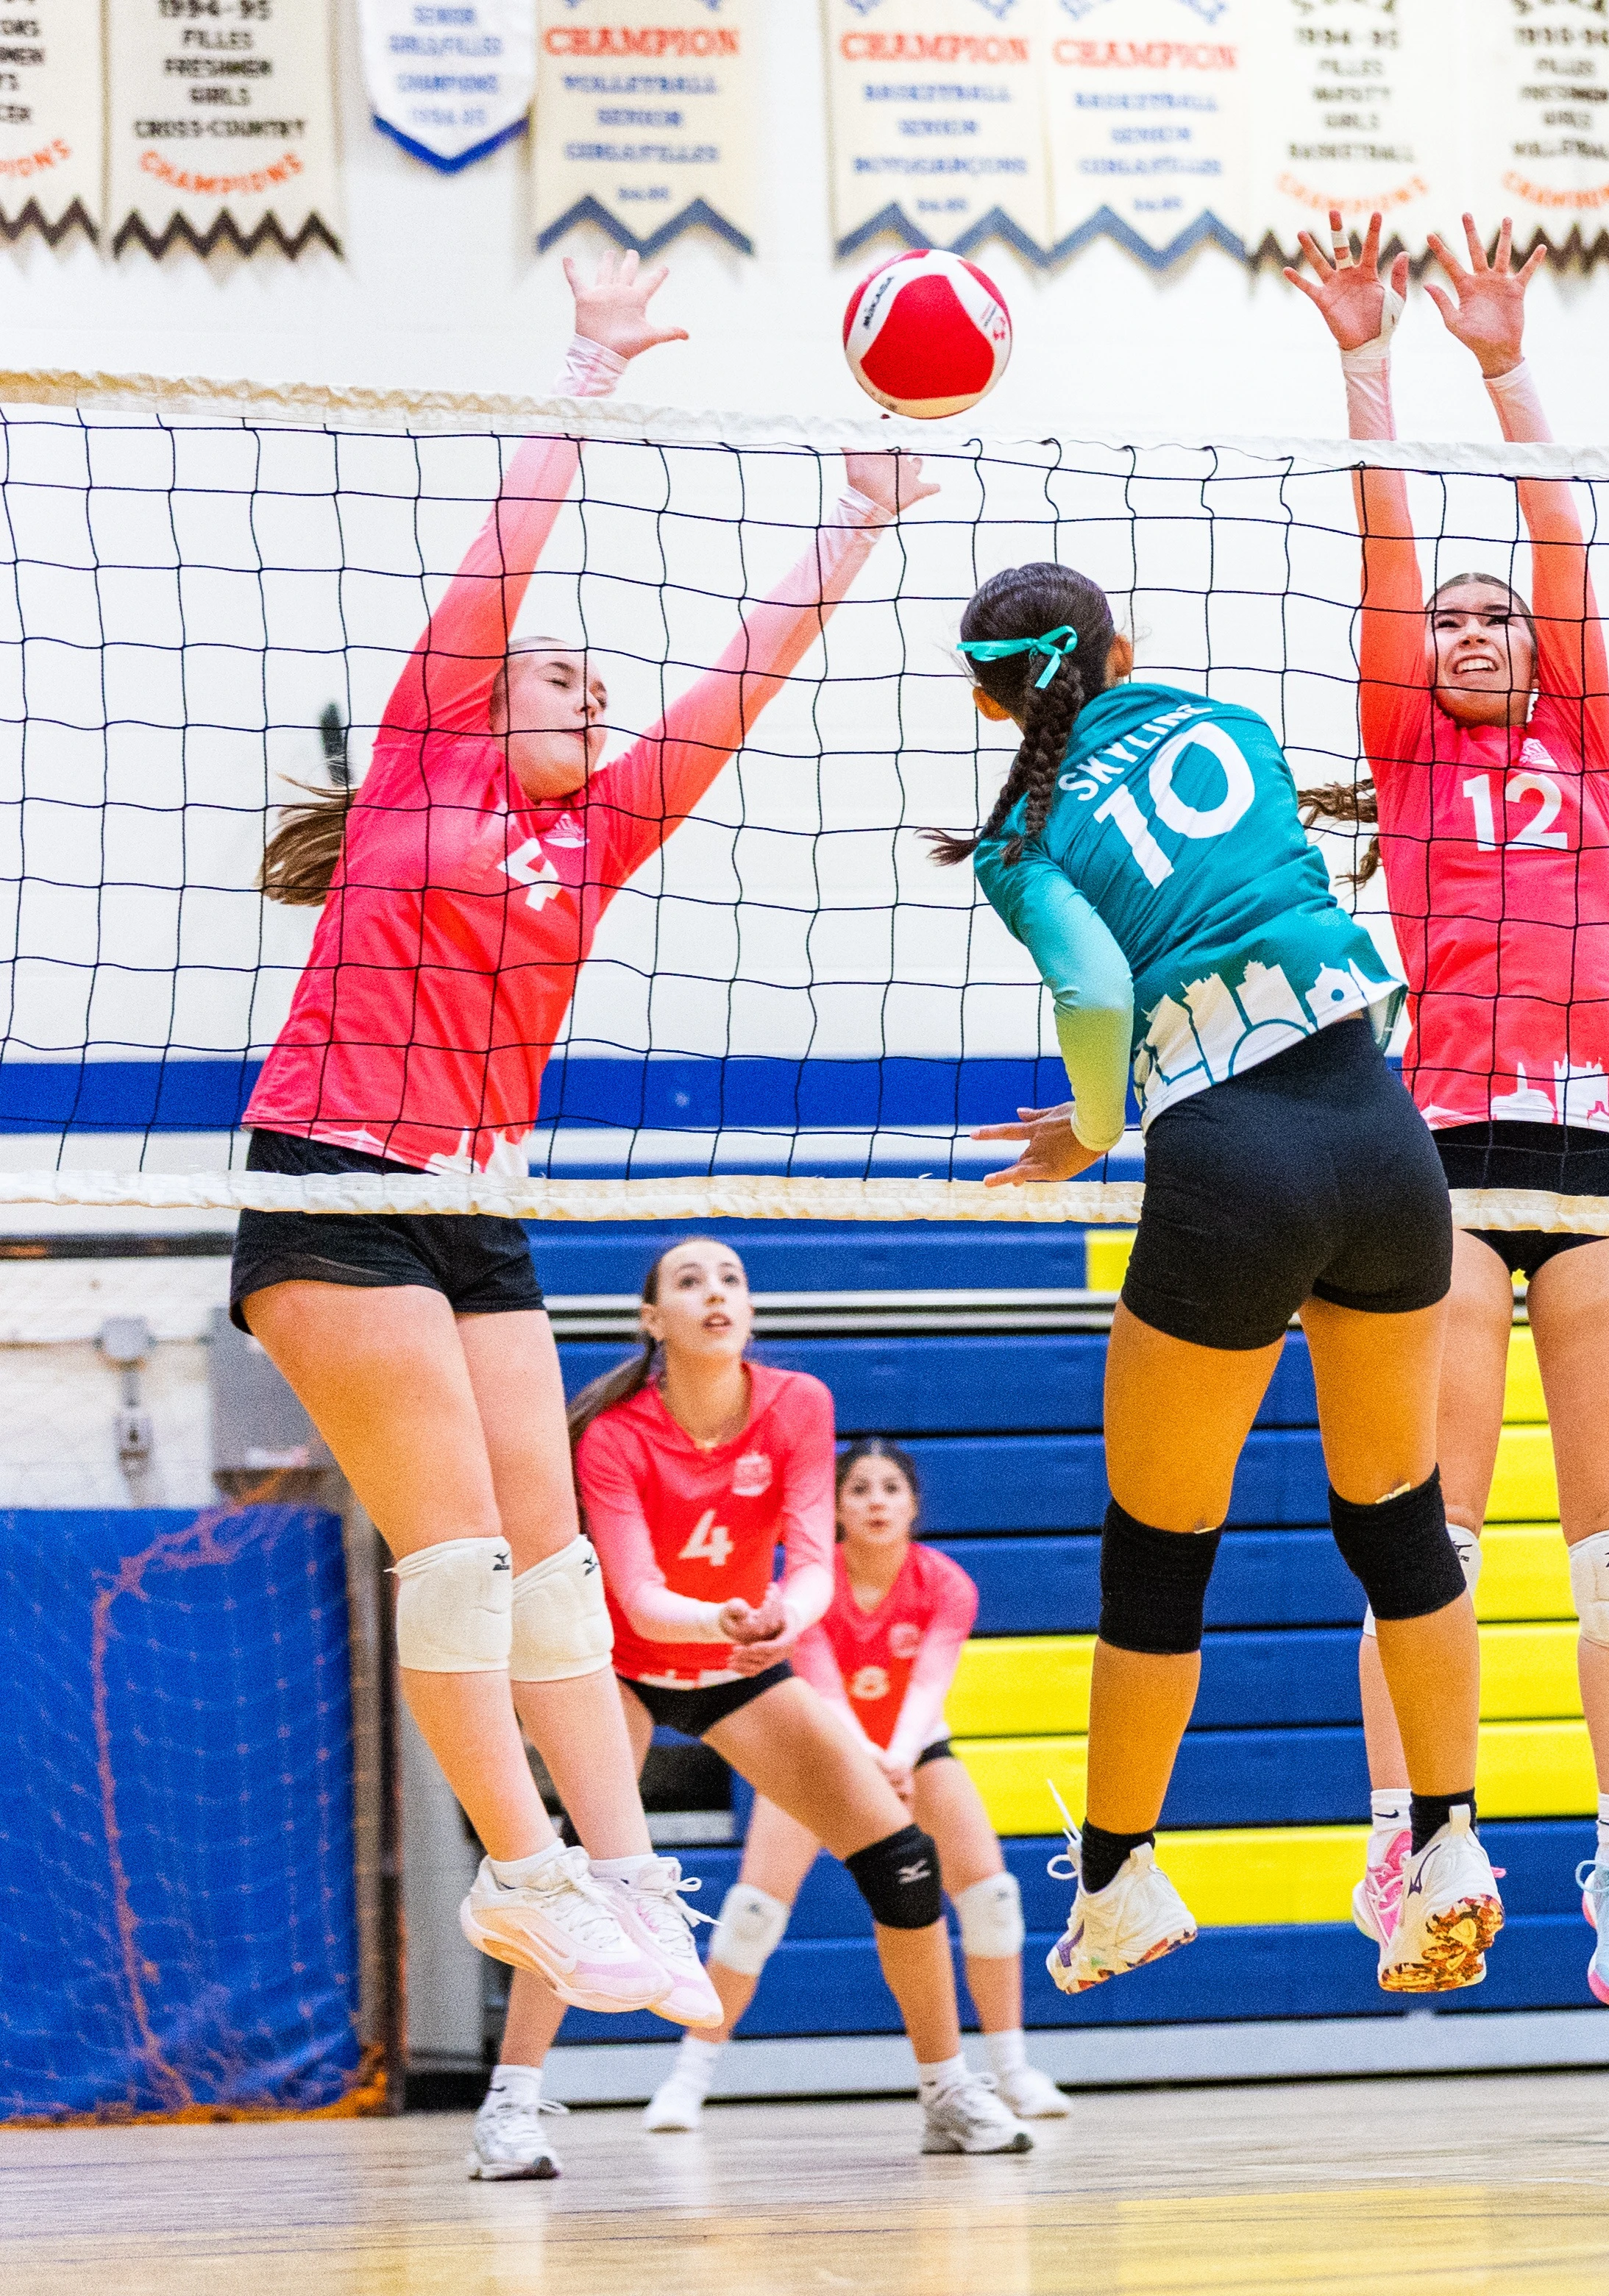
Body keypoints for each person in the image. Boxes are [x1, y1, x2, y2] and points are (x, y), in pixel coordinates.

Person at [237, 252, 931, 2052]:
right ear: (484, 699)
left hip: (477, 1202)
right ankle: (524, 1864)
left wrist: (858, 524)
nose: (587, 683)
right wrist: (587, 371)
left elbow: (740, 684)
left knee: (552, 1573)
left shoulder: (603, 827)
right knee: (464, 1555)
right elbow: (505, 560)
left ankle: (621, 1877)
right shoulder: (424, 761)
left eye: (595, 679)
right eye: (557, 668)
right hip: (333, 1180)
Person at [927, 559, 1497, 1996]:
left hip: (1230, 1166)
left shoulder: (1021, 839)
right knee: (1401, 1519)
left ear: (991, 703)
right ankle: (1447, 1843)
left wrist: (1094, 1130)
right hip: (1384, 1143)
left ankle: (1118, 1879)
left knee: (1160, 1546)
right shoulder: (1227, 725)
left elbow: (1099, 993)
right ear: (1121, 648)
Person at [1285, 211, 1609, 2010]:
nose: (1461, 629)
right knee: (1425, 1535)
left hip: (1596, 1162)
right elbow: (1386, 545)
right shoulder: (1410, 750)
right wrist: (1366, 362)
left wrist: (1505, 370)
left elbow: (1557, 543)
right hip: (1438, 1164)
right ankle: (1414, 1835)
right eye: (1442, 619)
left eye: (1488, 615)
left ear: (1534, 649)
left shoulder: (1579, 733)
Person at [468, 1241, 1031, 2177]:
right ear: (654, 1321)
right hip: (621, 1664)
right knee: (578, 1882)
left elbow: (812, 1560)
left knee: (903, 1861)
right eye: (690, 1282)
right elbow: (639, 1594)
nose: (716, 1293)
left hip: (742, 1661)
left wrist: (784, 1619)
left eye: (731, 1278)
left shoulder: (797, 1404)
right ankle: (510, 2107)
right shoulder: (615, 1437)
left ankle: (947, 2091)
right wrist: (725, 1618)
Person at [644, 1436, 1073, 2130]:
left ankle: (1013, 2074)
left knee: (994, 1898)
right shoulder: (807, 1587)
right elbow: (822, 1689)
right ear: (836, 1509)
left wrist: (897, 1758)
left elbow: (931, 1683)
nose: (877, 1502)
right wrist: (869, 1761)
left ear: (913, 1506)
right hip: (820, 1751)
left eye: (891, 1489)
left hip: (912, 1749)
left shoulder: (946, 1584)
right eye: (860, 1489)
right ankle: (687, 2082)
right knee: (753, 1913)